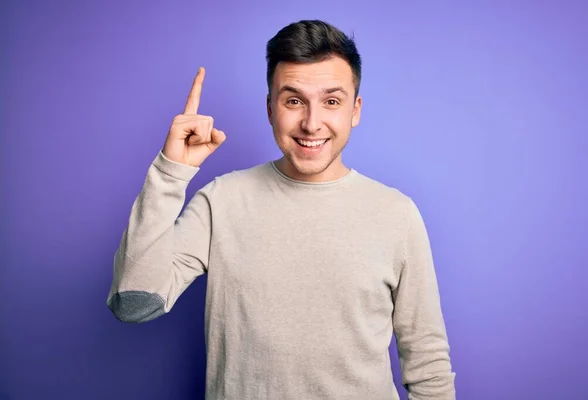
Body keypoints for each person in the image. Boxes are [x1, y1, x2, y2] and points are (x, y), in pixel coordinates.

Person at [106, 19, 456, 400]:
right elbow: (134, 304)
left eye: (332, 101)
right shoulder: (221, 201)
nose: (311, 123)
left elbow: (427, 363)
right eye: (293, 101)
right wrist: (170, 174)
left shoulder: (396, 214)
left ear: (355, 110)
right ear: (270, 108)